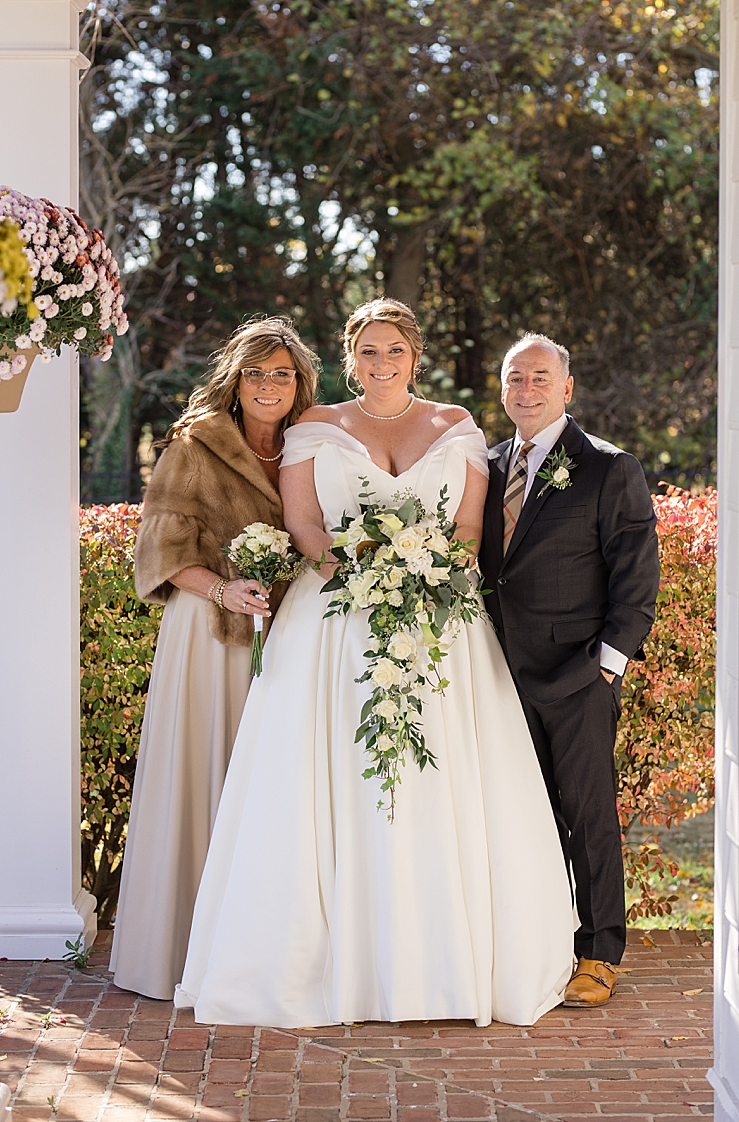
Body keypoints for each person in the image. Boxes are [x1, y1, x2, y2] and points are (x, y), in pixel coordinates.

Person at [175, 297, 574, 1028]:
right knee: (330, 779)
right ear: (350, 356)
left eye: (394, 351)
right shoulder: (316, 428)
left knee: (442, 778)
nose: (381, 364)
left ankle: (443, 964)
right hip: (332, 623)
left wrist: (424, 579)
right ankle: (327, 964)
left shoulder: (456, 426)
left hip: (440, 627)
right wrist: (358, 580)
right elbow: (304, 523)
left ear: (415, 355)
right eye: (368, 352)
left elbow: (467, 528)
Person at [110, 318, 319, 1000]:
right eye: (256, 372)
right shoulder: (195, 444)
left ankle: (270, 957)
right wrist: (226, 588)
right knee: (213, 778)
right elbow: (161, 553)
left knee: (281, 791)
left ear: (299, 383)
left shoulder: (315, 444)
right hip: (210, 635)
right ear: (236, 381)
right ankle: (185, 953)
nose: (268, 385)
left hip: (294, 637)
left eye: (281, 373)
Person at [480, 333, 659, 1008]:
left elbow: (636, 584)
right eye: (514, 378)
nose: (526, 389)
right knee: (518, 816)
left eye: (539, 378)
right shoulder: (488, 465)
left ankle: (600, 951)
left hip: (578, 676)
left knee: (587, 814)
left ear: (566, 389)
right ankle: (542, 941)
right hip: (496, 678)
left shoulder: (609, 469)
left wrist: (606, 669)